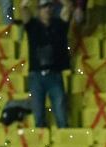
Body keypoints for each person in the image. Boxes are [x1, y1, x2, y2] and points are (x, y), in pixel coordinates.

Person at [20, 0, 72, 128]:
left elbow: (68, 7)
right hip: (36, 76)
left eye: (49, 6)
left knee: (61, 117)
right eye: (44, 7)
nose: (47, 9)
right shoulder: (32, 25)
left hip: (55, 75)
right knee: (38, 117)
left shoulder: (59, 25)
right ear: (38, 10)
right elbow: (23, 8)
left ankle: (63, 142)